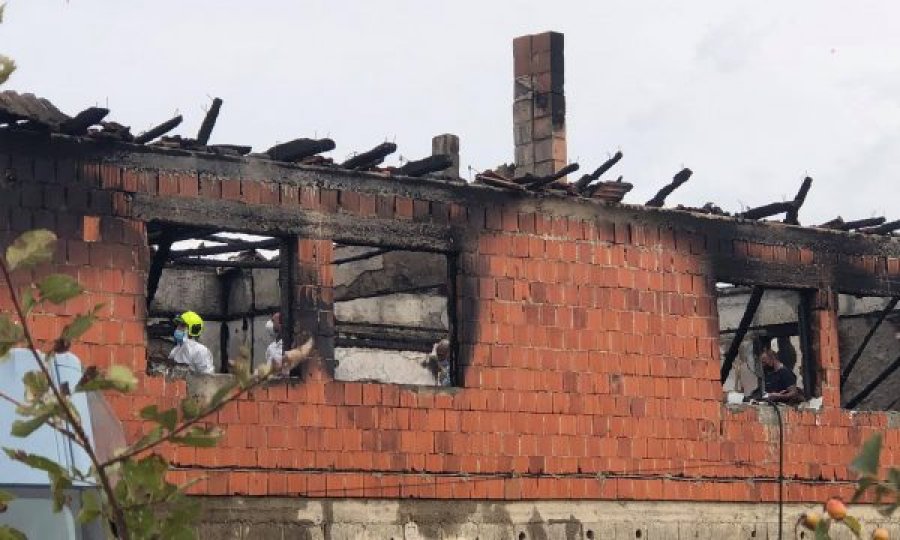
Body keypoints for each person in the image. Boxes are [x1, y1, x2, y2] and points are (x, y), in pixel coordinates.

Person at [756, 337, 802, 403]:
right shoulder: (769, 373)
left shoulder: (785, 373)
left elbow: (793, 393)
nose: (763, 365)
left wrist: (779, 396)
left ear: (772, 358)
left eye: (765, 362)